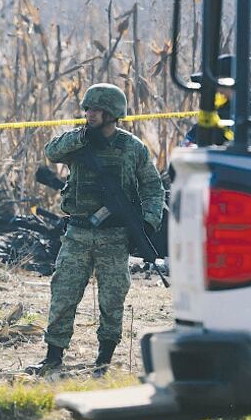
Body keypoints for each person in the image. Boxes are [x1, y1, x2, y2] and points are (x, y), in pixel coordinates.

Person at [29, 83, 164, 377]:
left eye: (97, 110)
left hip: (114, 236)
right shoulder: (78, 142)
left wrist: (149, 222)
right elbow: (51, 151)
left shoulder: (131, 148)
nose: (90, 114)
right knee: (63, 294)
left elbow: (153, 187)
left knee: (112, 299)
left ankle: (103, 361)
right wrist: (79, 137)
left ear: (113, 113)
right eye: (87, 108)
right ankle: (52, 357)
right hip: (77, 233)